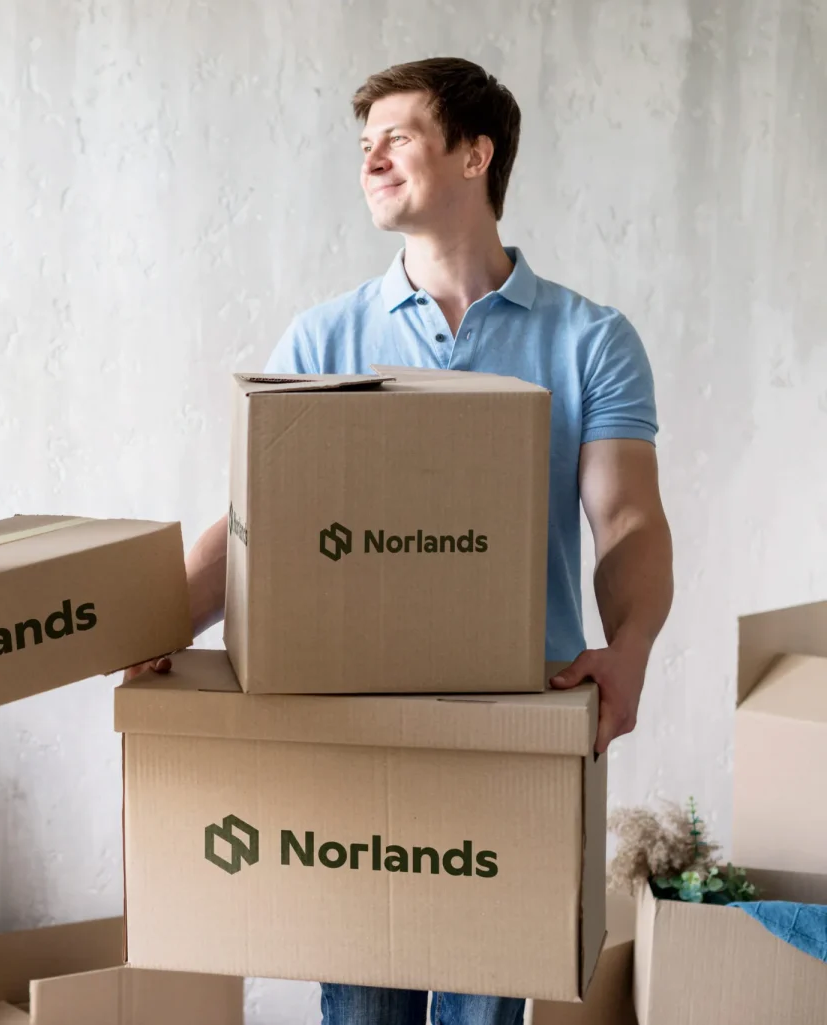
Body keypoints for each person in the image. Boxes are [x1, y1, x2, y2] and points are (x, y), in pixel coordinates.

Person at [132, 57, 674, 1025]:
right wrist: (146, 621)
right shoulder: (325, 337)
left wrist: (627, 650)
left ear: (476, 154)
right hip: (354, 732)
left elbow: (627, 516)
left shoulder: (589, 340)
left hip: (513, 732)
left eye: (398, 136)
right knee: (362, 1008)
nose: (371, 158)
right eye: (362, 145)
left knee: (483, 1010)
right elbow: (256, 526)